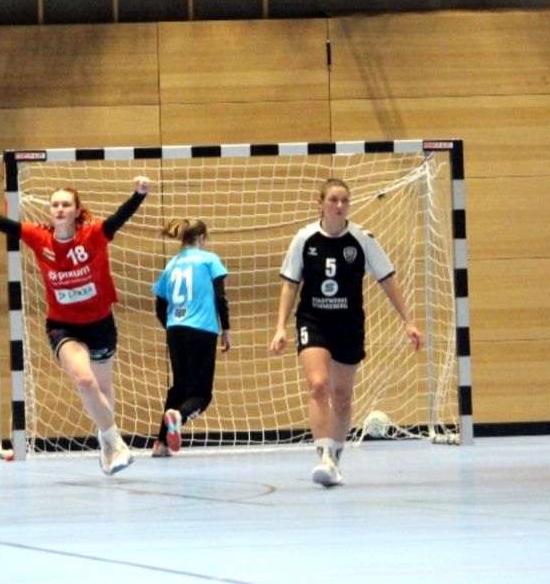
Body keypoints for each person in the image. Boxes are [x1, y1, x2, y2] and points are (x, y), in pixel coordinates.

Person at [0, 174, 150, 475]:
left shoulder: (92, 236)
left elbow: (119, 218)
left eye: (66, 204)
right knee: (85, 381)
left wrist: (138, 195)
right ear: (50, 210)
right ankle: (114, 441)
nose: (60, 209)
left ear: (77, 210)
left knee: (103, 387)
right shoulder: (39, 237)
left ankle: (107, 444)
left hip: (101, 322)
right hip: (64, 326)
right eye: (55, 204)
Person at [267, 178, 424, 487]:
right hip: (313, 320)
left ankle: (335, 460)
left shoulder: (362, 240)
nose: (339, 206)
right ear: (321, 202)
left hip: (349, 323)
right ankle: (323, 456)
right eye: (333, 200)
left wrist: (408, 320)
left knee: (341, 396)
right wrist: (279, 327)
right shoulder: (305, 239)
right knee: (318, 385)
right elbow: (290, 283)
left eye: (344, 201)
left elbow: (387, 279)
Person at [150, 219, 230, 458]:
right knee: (201, 395)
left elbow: (159, 306)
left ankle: (161, 443)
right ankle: (180, 416)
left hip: (175, 329)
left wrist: (173, 325)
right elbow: (220, 297)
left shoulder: (172, 264)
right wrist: (225, 328)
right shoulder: (209, 260)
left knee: (179, 387)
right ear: (203, 237)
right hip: (201, 329)